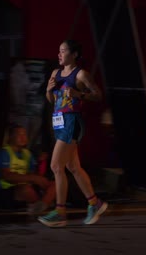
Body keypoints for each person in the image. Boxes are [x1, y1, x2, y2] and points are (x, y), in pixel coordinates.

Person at [38, 40, 108, 227]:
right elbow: (52, 100)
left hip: (72, 122)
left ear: (74, 54)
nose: (59, 54)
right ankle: (95, 203)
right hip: (59, 121)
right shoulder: (55, 73)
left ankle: (60, 212)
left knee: (55, 166)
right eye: (58, 51)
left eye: (63, 51)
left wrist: (79, 94)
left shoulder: (81, 74)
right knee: (73, 167)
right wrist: (48, 90)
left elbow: (98, 95)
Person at [0, 124, 56, 213]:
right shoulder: (4, 152)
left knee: (55, 184)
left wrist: (41, 163)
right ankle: (43, 203)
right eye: (19, 135)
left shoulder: (27, 153)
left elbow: (35, 175)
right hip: (7, 191)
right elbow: (7, 176)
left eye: (24, 134)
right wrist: (33, 178)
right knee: (26, 189)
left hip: (27, 187)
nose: (23, 137)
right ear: (11, 137)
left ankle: (41, 204)